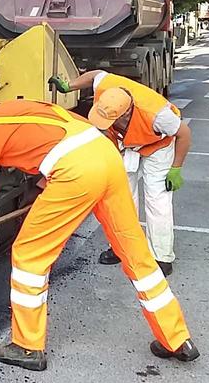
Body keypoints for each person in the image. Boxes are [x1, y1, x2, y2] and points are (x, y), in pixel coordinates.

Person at [0, 88, 199, 371]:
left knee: (29, 254)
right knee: (136, 254)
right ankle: (176, 338)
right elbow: (60, 139)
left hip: (77, 171)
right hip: (106, 157)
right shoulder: (15, 108)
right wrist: (40, 188)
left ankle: (27, 346)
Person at [50, 70, 192, 275]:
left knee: (157, 200)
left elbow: (184, 134)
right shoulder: (106, 88)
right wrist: (68, 86)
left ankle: (162, 257)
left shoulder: (159, 115)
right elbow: (95, 75)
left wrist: (176, 168)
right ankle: (122, 248)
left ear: (126, 113)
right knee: (122, 196)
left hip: (158, 146)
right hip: (127, 143)